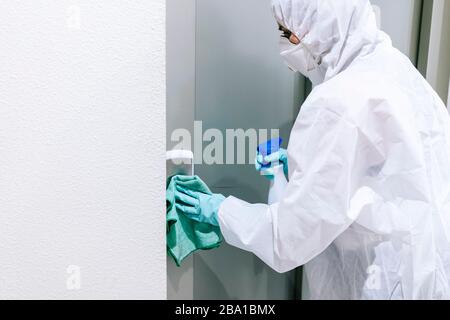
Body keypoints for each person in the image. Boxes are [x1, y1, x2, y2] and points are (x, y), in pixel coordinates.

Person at [174, 0, 450, 299]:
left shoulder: (338, 101)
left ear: (322, 25)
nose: (283, 43)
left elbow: (288, 239)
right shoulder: (392, 67)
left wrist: (219, 210)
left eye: (286, 31)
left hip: (381, 282)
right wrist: (296, 171)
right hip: (425, 271)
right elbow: (376, 179)